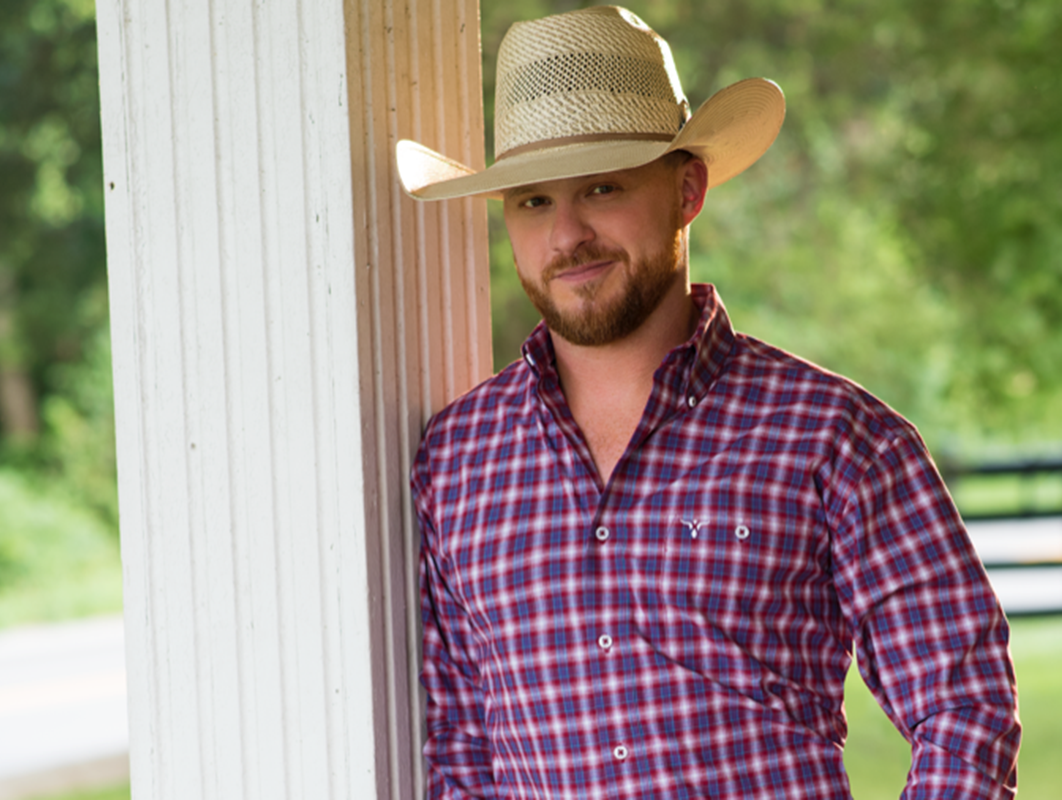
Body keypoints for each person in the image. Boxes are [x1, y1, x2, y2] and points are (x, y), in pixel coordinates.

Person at [396, 6, 1020, 798]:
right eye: (532, 201)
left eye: (602, 187)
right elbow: (461, 748)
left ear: (685, 188)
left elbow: (963, 702)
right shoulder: (456, 460)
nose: (567, 236)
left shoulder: (834, 436)